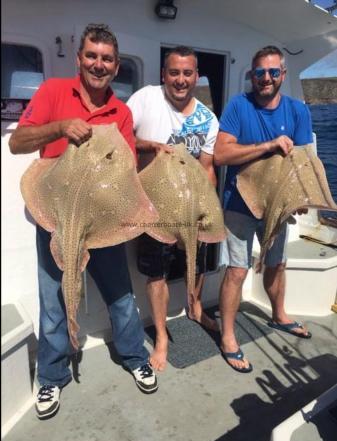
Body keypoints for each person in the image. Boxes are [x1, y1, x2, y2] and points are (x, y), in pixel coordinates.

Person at [9, 23, 158, 420]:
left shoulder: (122, 112)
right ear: (79, 58)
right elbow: (16, 141)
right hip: (55, 215)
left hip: (102, 219)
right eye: (91, 56)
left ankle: (132, 355)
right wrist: (58, 127)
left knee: (122, 296)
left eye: (107, 59)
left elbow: (125, 170)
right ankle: (52, 377)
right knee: (53, 298)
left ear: (116, 65)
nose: (98, 64)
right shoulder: (53, 92)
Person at [214, 45, 312, 373]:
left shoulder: (298, 111)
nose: (266, 78)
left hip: (277, 207)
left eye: (272, 72)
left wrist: (298, 200)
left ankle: (278, 315)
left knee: (277, 264)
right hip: (239, 207)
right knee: (237, 271)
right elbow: (222, 155)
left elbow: (301, 164)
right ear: (251, 76)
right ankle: (228, 335)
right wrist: (268, 145)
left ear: (283, 74)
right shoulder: (238, 106)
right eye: (259, 73)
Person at [127, 46, 219, 372]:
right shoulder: (145, 98)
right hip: (154, 208)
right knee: (158, 273)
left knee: (198, 263)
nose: (181, 80)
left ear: (196, 76)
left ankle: (195, 308)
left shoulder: (208, 118)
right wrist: (149, 146)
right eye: (174, 73)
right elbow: (122, 138)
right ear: (164, 74)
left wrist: (208, 208)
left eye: (187, 73)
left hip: (192, 207)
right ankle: (163, 336)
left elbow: (207, 168)